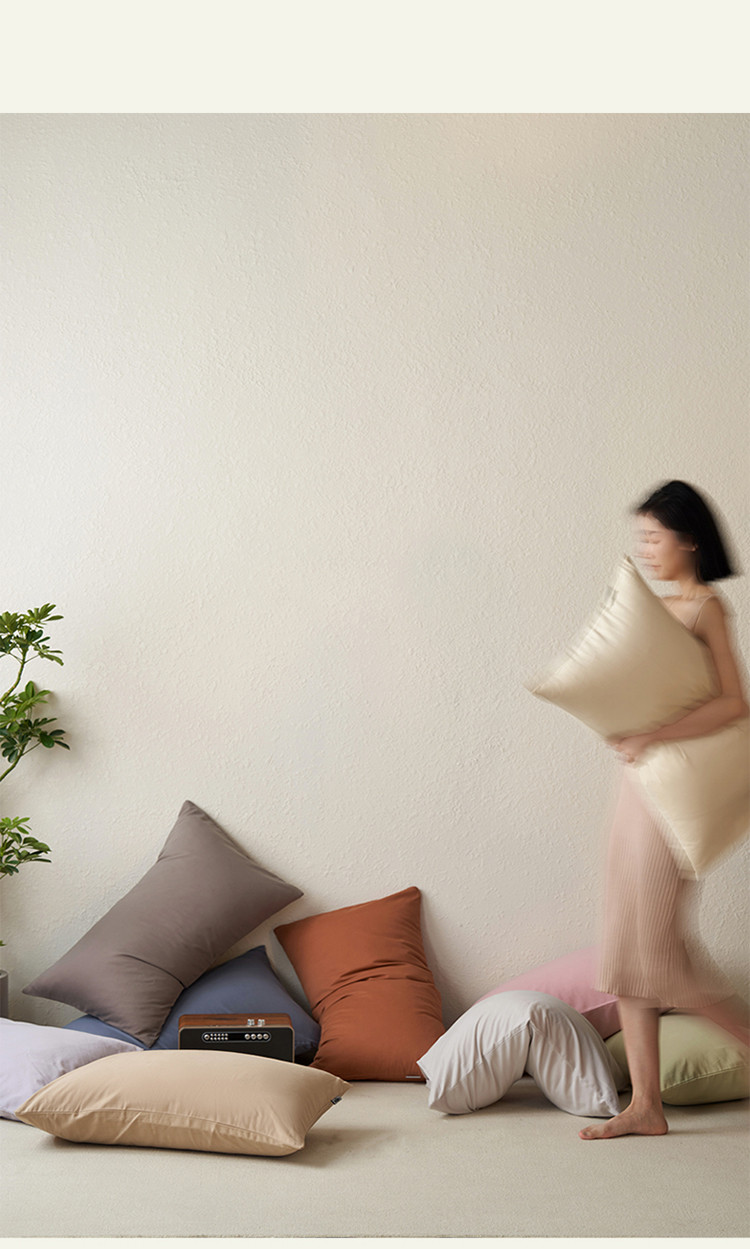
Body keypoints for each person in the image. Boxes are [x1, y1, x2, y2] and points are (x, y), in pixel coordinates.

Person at [579, 480, 750, 1141]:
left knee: (662, 956)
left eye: (655, 536)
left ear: (691, 540)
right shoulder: (654, 606)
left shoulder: (706, 605)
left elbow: (734, 702)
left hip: (673, 794)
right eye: (641, 537)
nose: (646, 549)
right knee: (626, 949)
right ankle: (645, 1107)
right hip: (635, 789)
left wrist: (654, 735)